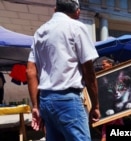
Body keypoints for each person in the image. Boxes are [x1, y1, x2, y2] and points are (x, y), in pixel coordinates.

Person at [26, 0, 101, 140]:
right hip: (68, 101)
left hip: (45, 101)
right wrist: (95, 105)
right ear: (77, 12)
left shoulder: (40, 32)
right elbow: (89, 72)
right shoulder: (76, 27)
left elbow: (30, 71)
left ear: (55, 9)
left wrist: (36, 106)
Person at [100, 58, 124, 141]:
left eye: (104, 64)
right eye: (102, 65)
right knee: (106, 127)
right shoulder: (101, 77)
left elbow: (121, 88)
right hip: (108, 105)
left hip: (117, 105)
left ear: (110, 64)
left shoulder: (116, 76)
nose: (102, 67)